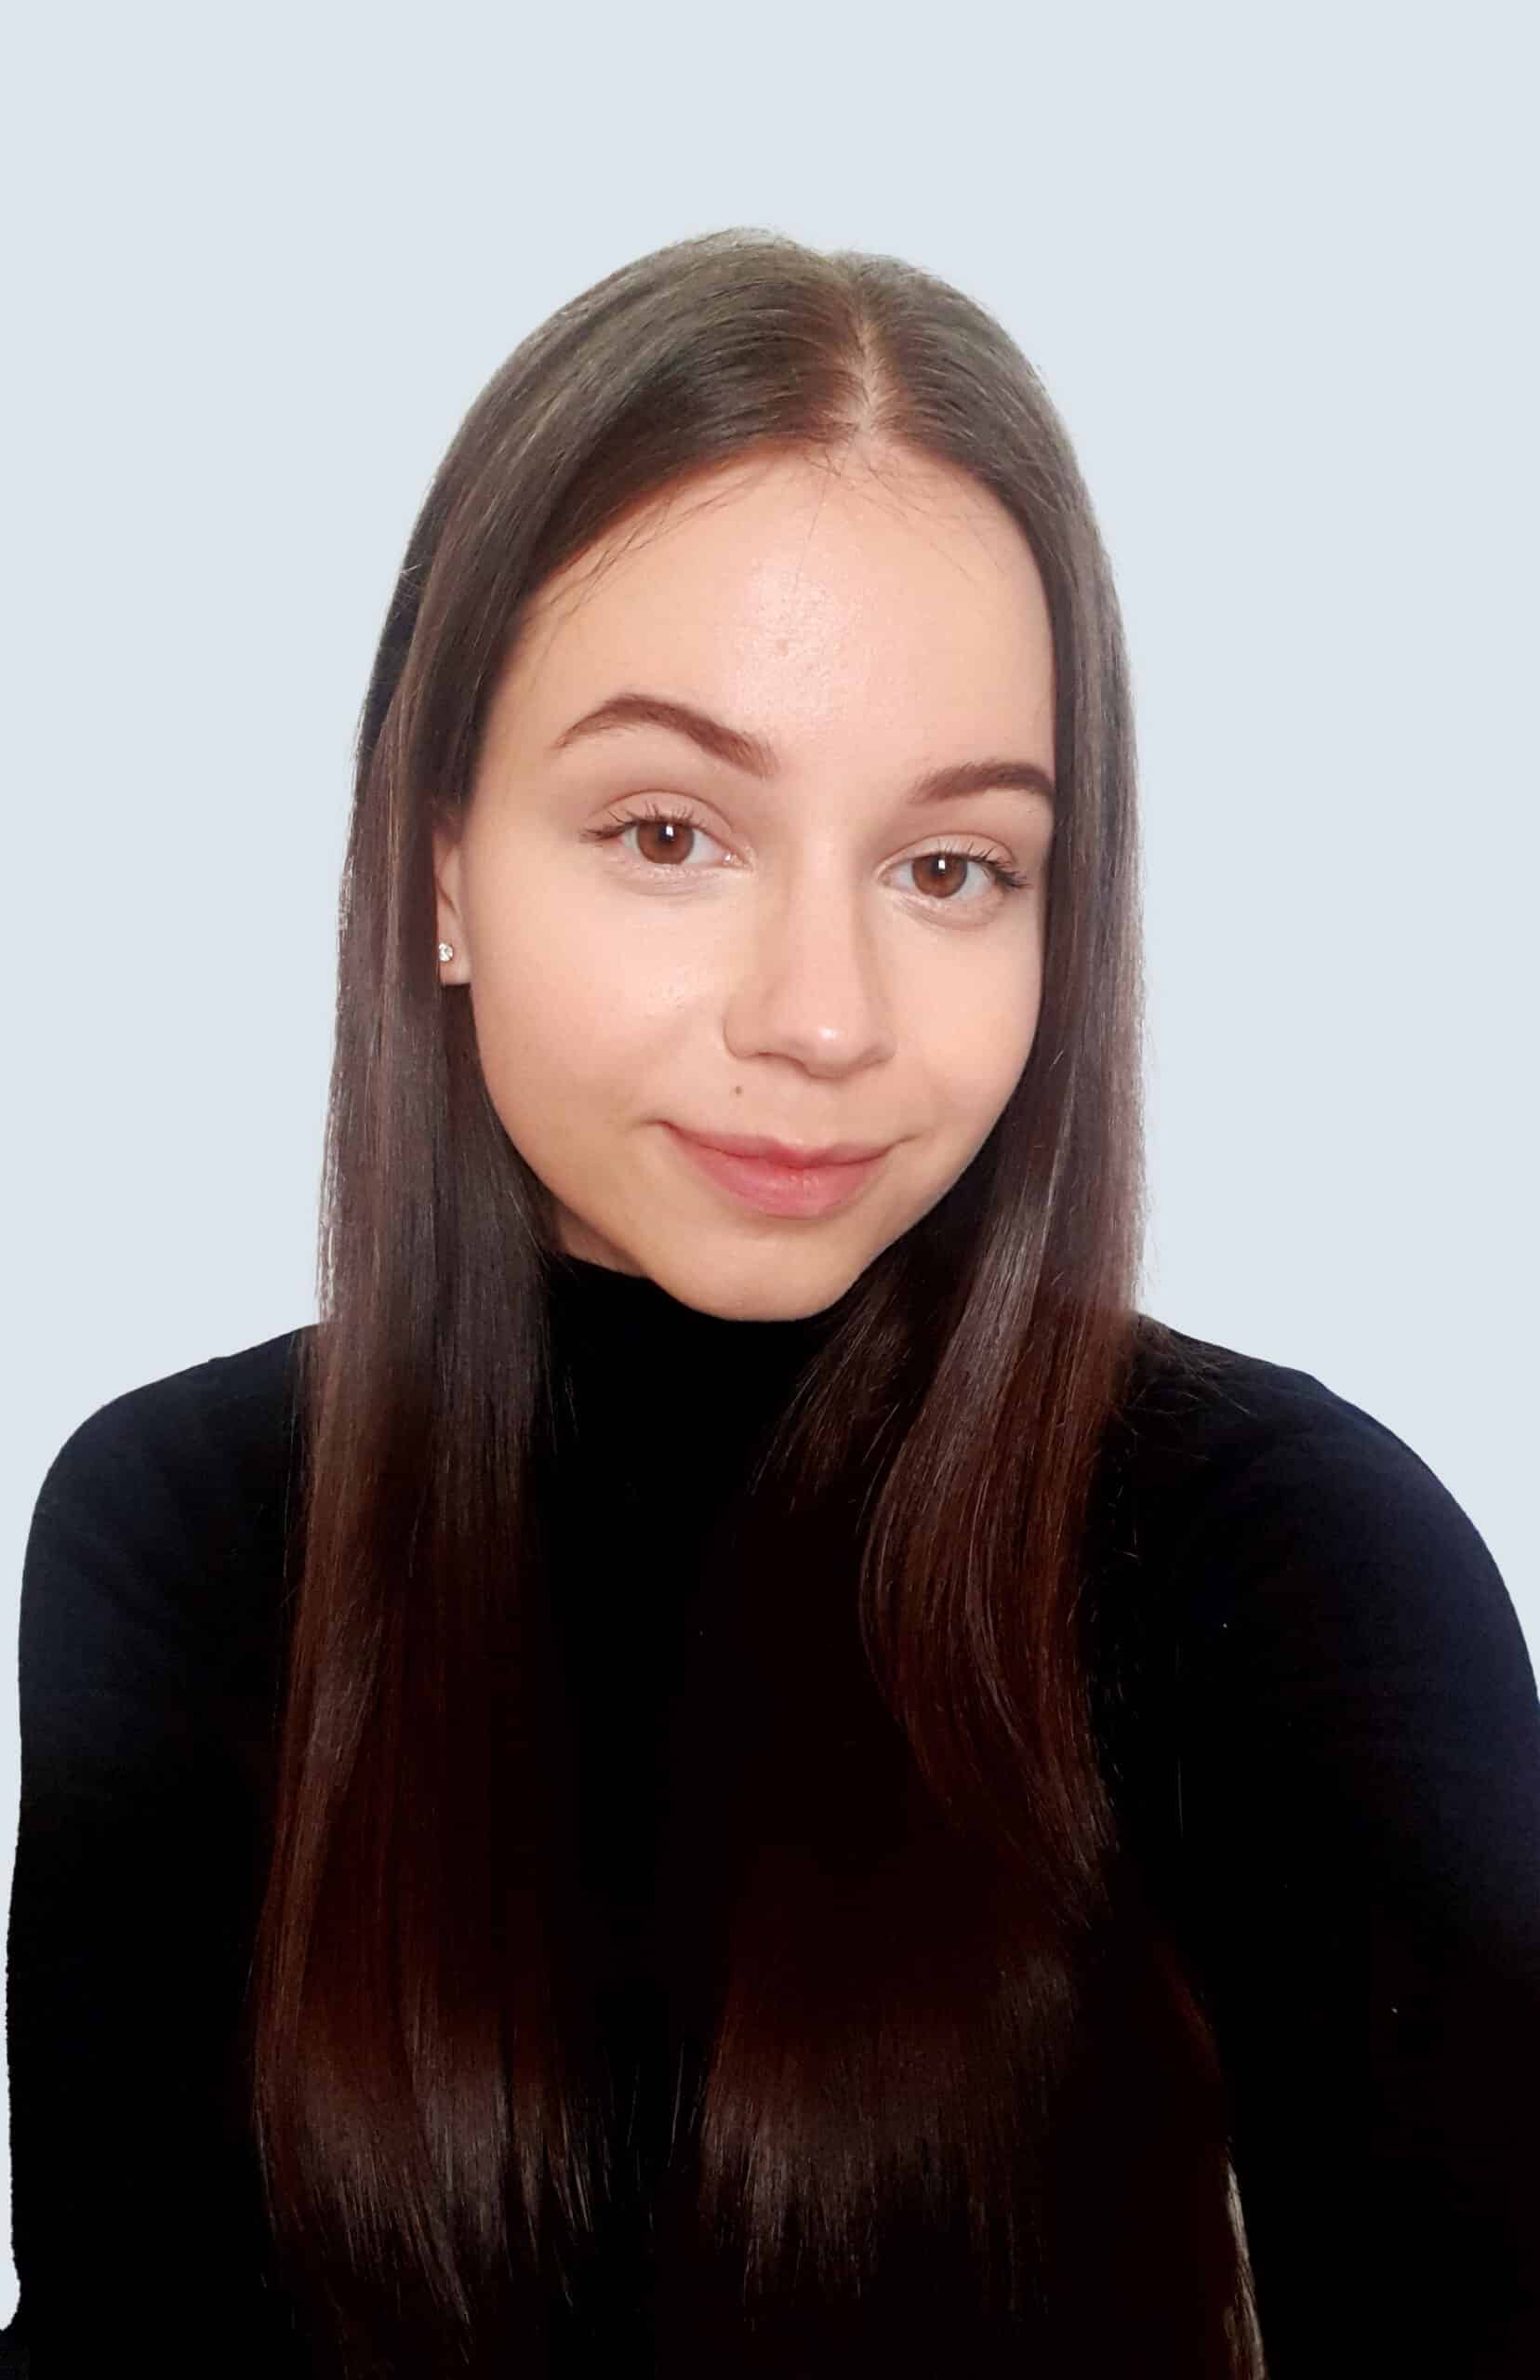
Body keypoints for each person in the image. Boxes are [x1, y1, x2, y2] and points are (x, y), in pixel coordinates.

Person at [4, 227, 1537, 2379]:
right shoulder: (192, 1525)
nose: (823, 1016)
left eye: (950, 866)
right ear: (442, 870)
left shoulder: (1275, 1553)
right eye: (670, 832)